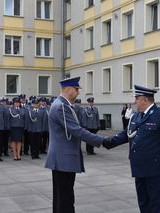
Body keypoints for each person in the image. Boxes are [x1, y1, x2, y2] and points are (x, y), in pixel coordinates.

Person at [104, 85, 160, 213]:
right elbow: (126, 134)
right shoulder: (136, 116)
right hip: (139, 168)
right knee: (143, 204)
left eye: (136, 98)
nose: (134, 102)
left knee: (156, 205)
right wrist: (107, 141)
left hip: (156, 170)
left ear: (144, 99)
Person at [44, 77, 112, 213]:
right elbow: (77, 130)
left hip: (62, 159)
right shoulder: (61, 107)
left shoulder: (62, 105)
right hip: (63, 160)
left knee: (61, 197)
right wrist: (103, 141)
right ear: (69, 90)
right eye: (76, 89)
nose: (78, 92)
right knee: (65, 199)